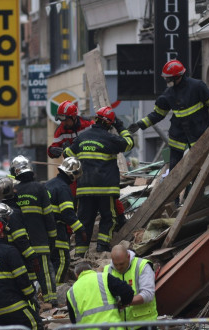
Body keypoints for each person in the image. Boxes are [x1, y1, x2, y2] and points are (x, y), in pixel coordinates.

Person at [127, 60, 209, 171]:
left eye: (168, 78)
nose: (166, 80)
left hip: (199, 136)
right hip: (178, 139)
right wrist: (140, 124)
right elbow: (157, 114)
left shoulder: (198, 87)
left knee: (201, 170)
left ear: (178, 76)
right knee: (174, 172)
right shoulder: (168, 95)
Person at [64, 106, 134, 255]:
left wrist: (64, 149)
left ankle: (80, 253)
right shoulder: (111, 139)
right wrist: (120, 126)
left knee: (84, 221)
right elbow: (129, 142)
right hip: (105, 189)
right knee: (108, 218)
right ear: (109, 123)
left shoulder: (82, 137)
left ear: (96, 119)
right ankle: (102, 247)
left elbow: (68, 154)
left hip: (84, 189)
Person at [9, 157, 59, 306]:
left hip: (22, 245)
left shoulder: (14, 191)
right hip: (41, 241)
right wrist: (52, 238)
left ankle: (32, 303)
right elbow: (49, 216)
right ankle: (52, 301)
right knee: (46, 273)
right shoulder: (40, 188)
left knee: (28, 274)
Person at [45, 157, 86, 284]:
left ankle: (45, 291)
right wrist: (81, 230)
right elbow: (68, 213)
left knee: (50, 262)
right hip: (57, 230)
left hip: (44, 230)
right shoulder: (63, 188)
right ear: (73, 174)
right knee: (62, 260)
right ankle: (55, 289)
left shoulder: (48, 184)